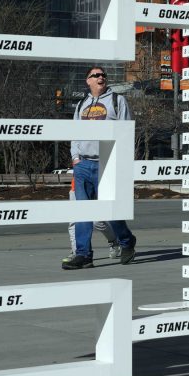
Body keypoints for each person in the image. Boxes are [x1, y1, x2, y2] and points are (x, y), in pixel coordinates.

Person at [62, 66, 135, 270]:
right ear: (88, 81)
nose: (101, 77)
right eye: (96, 75)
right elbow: (74, 132)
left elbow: (125, 132)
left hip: (108, 158)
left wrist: (120, 161)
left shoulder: (117, 101)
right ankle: (84, 255)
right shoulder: (81, 104)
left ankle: (127, 241)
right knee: (83, 212)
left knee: (111, 213)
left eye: (103, 75)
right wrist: (75, 156)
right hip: (83, 163)